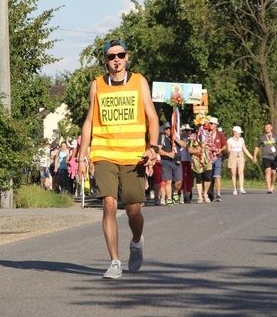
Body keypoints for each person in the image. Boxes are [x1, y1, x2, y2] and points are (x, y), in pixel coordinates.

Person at [78, 39, 159, 279]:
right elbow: (89, 121)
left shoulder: (138, 81)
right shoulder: (97, 85)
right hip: (104, 153)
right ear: (105, 60)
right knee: (109, 205)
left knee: (133, 211)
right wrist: (83, 155)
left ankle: (136, 242)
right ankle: (115, 261)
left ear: (127, 57)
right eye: (111, 56)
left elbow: (152, 117)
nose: (117, 59)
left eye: (121, 55)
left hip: (134, 156)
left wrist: (152, 147)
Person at [253, 122, 277, 194]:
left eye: (269, 127)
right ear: (264, 128)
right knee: (268, 170)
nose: (267, 128)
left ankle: (272, 185)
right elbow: (257, 147)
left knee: (274, 173)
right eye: (266, 127)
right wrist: (254, 156)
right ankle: (269, 188)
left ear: (271, 127)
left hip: (274, 156)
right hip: (265, 156)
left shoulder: (276, 136)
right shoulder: (262, 137)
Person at [188, 123, 214, 203]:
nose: (198, 128)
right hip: (197, 159)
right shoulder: (192, 137)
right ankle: (199, 196)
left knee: (208, 177)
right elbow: (190, 150)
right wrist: (198, 151)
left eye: (200, 127)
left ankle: (205, 193)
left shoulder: (208, 135)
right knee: (198, 178)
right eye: (197, 127)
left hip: (207, 159)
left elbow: (212, 147)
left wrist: (205, 147)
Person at [158, 122, 183, 205]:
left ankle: (175, 193)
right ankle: (168, 198)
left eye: (170, 129)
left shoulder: (176, 137)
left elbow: (184, 145)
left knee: (178, 181)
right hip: (166, 162)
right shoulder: (162, 138)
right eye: (166, 129)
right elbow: (158, 150)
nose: (168, 130)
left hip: (177, 162)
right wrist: (168, 154)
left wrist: (176, 139)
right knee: (168, 181)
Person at [227, 126, 253, 195]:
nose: (239, 134)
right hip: (233, 155)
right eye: (238, 133)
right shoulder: (230, 140)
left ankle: (241, 188)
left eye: (240, 133)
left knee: (241, 172)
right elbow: (228, 148)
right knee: (233, 173)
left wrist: (251, 157)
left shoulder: (241, 140)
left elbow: (244, 149)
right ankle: (235, 189)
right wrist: (230, 151)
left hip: (240, 155)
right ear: (234, 132)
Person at [207, 116, 227, 202]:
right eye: (209, 123)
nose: (210, 125)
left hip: (218, 157)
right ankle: (209, 192)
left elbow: (225, 145)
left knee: (217, 176)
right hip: (208, 157)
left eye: (211, 124)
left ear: (215, 125)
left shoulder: (220, 134)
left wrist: (220, 149)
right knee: (209, 176)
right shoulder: (207, 133)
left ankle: (218, 194)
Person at [179, 124, 193, 203]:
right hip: (181, 160)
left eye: (188, 131)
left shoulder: (191, 140)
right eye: (185, 131)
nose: (187, 132)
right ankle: (181, 194)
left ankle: (187, 194)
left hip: (189, 161)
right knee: (182, 178)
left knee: (188, 179)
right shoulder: (179, 140)